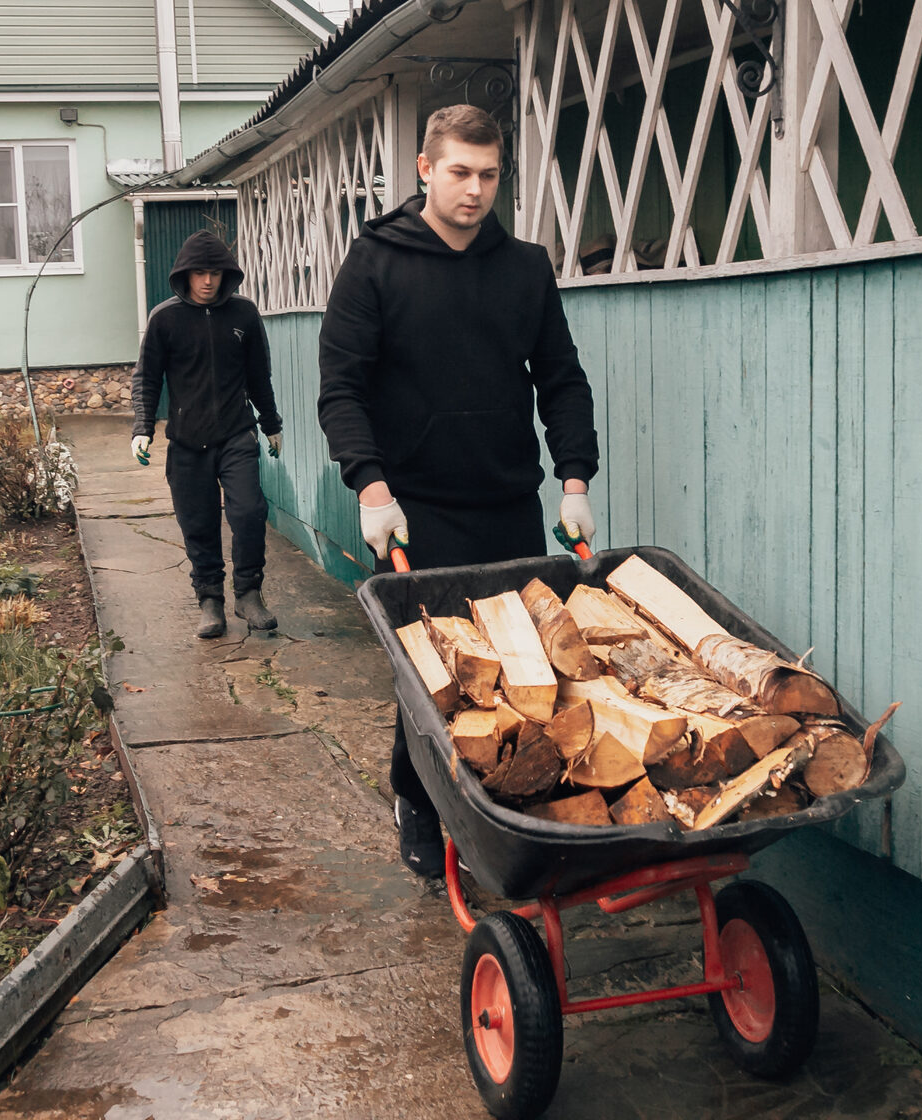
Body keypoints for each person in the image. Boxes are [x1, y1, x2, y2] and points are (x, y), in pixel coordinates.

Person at [317, 105, 600, 877]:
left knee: (517, 676)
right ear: (424, 169)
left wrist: (574, 481)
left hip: (509, 501)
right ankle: (417, 793)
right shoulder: (375, 263)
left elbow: (562, 381)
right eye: (459, 173)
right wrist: (371, 488)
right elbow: (340, 389)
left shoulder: (524, 268)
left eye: (489, 175)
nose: (475, 191)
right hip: (414, 511)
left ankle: (497, 813)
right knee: (437, 682)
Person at [131, 231, 284, 639]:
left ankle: (249, 593)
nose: (207, 281)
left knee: (249, 512)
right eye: (199, 272)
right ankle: (210, 601)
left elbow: (259, 376)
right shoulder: (164, 319)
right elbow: (146, 378)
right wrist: (142, 428)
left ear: (225, 275)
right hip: (186, 441)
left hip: (236, 433)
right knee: (197, 522)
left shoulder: (244, 316)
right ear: (185, 275)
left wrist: (271, 423)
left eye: (214, 272)